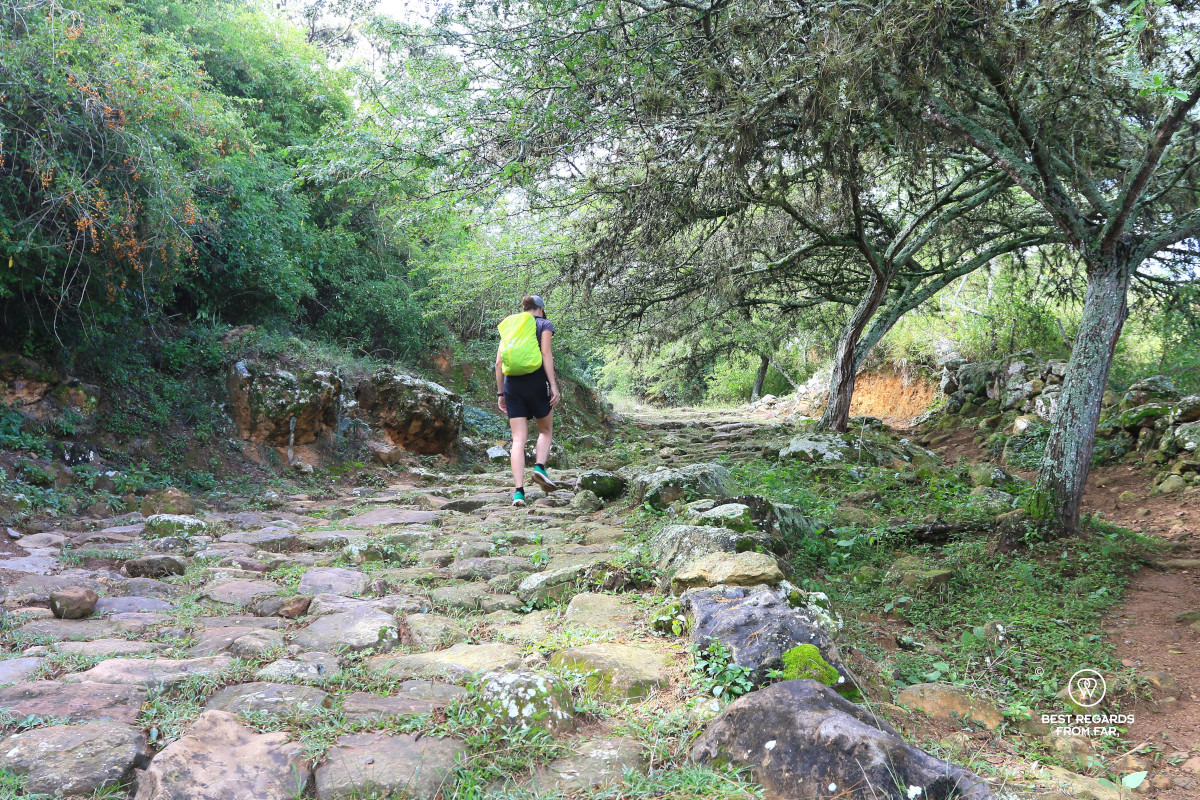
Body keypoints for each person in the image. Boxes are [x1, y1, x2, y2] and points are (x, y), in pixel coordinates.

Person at [496, 295, 561, 506]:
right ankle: (539, 467)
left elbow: (498, 363)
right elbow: (546, 353)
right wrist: (553, 385)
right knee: (545, 430)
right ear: (540, 309)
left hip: (512, 385)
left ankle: (518, 493)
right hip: (535, 381)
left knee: (518, 440)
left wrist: (500, 394)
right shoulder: (543, 324)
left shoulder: (510, 326)